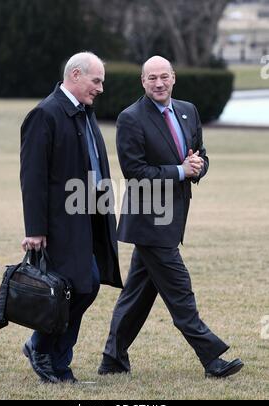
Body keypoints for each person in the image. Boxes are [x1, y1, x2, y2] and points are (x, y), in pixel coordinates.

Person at [98, 56, 244, 379]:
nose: (159, 83)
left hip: (174, 219)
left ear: (174, 78)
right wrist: (181, 171)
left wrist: (199, 166)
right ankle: (212, 359)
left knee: (136, 295)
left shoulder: (188, 111)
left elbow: (199, 155)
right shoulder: (130, 118)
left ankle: (112, 358)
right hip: (150, 223)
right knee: (180, 292)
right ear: (143, 81)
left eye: (164, 77)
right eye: (152, 78)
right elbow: (135, 173)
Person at [20, 52, 122, 383]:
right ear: (75, 75)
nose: (101, 88)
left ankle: (44, 349)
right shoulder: (45, 114)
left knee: (86, 285)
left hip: (89, 219)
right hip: (61, 224)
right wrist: (35, 229)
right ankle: (50, 357)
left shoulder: (84, 113)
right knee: (82, 285)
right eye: (96, 81)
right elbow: (32, 177)